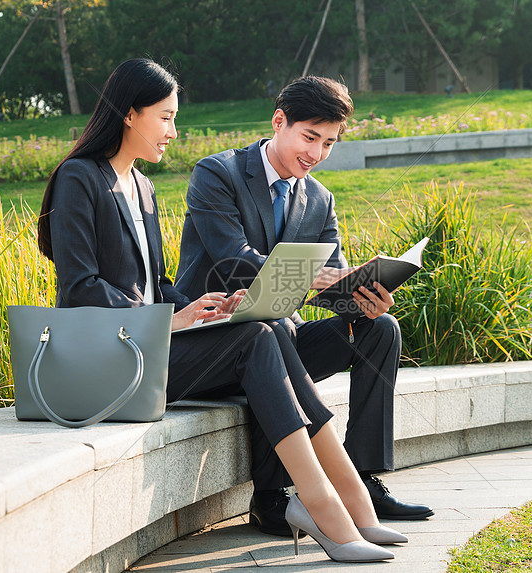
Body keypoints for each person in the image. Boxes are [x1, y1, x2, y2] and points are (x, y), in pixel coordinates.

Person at [37, 58, 404, 563]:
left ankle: (342, 505)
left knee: (268, 327)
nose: (173, 130)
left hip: (155, 349)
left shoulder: (141, 186)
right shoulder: (78, 178)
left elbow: (158, 286)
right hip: (108, 360)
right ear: (129, 114)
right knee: (260, 333)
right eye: (165, 117)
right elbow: (80, 289)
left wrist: (205, 309)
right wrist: (175, 319)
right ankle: (330, 507)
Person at [175, 76, 434, 535]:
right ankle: (271, 498)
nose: (316, 154)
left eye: (329, 143)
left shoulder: (319, 198)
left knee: (382, 329)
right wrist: (308, 275)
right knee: (272, 331)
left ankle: (365, 478)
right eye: (309, 137)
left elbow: (335, 289)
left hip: (284, 339)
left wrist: (365, 298)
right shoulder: (217, 174)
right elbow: (233, 261)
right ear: (280, 122)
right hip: (216, 342)